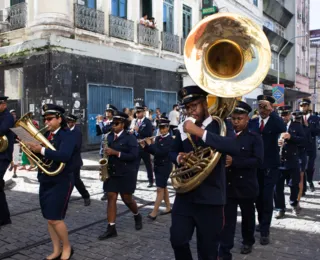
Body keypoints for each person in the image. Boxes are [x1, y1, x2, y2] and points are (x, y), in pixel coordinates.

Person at [169, 86, 239, 260]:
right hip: (185, 196)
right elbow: (170, 151)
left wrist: (199, 132)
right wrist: (179, 158)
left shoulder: (220, 125)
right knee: (177, 239)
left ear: (205, 104)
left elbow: (233, 147)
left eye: (195, 106)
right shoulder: (183, 128)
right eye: (188, 108)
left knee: (207, 251)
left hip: (211, 198)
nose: (191, 111)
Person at [26, 104, 76, 260]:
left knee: (55, 218)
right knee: (50, 218)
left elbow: (64, 155)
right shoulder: (47, 134)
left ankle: (67, 247)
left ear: (59, 119)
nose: (46, 122)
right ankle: (56, 249)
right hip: (46, 179)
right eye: (45, 119)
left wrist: (40, 150)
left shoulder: (68, 135)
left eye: (49, 119)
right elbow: (43, 158)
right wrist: (30, 149)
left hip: (61, 180)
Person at [219, 101, 263, 259]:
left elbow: (258, 161)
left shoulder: (254, 138)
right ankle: (225, 247)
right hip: (229, 185)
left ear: (247, 119)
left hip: (246, 185)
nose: (236, 121)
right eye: (233, 118)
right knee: (228, 220)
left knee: (248, 217)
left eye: (239, 118)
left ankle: (248, 241)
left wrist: (235, 162)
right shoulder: (225, 137)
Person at [98, 110, 142, 240]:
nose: (113, 126)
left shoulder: (130, 137)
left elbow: (134, 156)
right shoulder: (109, 137)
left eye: (116, 124)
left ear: (123, 124)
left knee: (127, 199)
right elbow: (105, 154)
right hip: (112, 172)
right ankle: (111, 228)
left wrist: (116, 153)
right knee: (111, 197)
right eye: (113, 123)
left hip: (126, 173)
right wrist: (103, 166)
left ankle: (137, 214)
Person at [248, 95, 286, 245]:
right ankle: (261, 221)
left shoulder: (276, 121)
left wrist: (273, 111)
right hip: (255, 166)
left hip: (271, 166)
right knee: (257, 197)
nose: (262, 109)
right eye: (260, 106)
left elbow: (283, 129)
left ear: (270, 107)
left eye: (265, 106)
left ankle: (265, 230)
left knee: (267, 197)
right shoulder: (252, 122)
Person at [274, 106, 305, 218]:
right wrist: (276, 143)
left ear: (289, 115)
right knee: (277, 187)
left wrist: (291, 137)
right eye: (282, 115)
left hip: (292, 161)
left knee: (294, 185)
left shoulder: (296, 126)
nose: (284, 117)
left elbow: (303, 141)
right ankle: (279, 208)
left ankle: (293, 203)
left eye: (286, 115)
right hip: (278, 162)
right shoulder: (275, 127)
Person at [141, 117, 173, 220]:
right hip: (157, 165)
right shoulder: (159, 138)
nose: (162, 130)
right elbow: (153, 151)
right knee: (163, 187)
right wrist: (145, 146)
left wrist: (150, 144)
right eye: (161, 128)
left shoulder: (170, 139)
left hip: (165, 166)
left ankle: (154, 212)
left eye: (164, 128)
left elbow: (161, 152)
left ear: (168, 128)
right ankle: (168, 207)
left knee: (159, 189)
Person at [66, 114, 91, 207]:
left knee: (76, 181)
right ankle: (65, 198)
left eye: (71, 122)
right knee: (66, 181)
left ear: (74, 123)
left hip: (74, 161)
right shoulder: (65, 131)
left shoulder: (77, 132)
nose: (69, 124)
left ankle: (86, 196)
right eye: (68, 122)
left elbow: (77, 147)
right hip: (66, 160)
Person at [96, 104, 117, 201]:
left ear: (112, 113)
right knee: (104, 170)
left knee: (110, 170)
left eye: (109, 112)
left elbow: (104, 130)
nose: (107, 113)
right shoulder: (105, 122)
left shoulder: (114, 123)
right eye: (106, 111)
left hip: (110, 148)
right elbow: (99, 132)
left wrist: (100, 122)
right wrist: (98, 123)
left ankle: (110, 190)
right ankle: (105, 191)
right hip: (103, 148)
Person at [299, 98, 320, 192]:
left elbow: (318, 131)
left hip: (311, 145)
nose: (303, 108)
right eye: (301, 106)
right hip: (300, 145)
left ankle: (310, 181)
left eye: (305, 105)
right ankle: (301, 187)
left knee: (310, 166)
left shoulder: (315, 118)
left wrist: (308, 127)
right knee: (300, 166)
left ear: (308, 106)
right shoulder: (296, 117)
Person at [0, 96, 14, 227]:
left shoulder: (8, 117)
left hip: (3, 155)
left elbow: (2, 130)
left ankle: (4, 217)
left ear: (4, 104)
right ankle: (4, 217)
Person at [133, 106, 154, 187]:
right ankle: (133, 181)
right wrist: (133, 133)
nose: (137, 114)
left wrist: (139, 131)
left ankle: (151, 180)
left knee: (148, 164)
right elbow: (135, 134)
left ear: (143, 113)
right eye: (136, 113)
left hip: (145, 146)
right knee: (135, 165)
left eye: (139, 112)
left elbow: (149, 134)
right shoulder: (136, 121)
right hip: (137, 146)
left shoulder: (147, 122)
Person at [292, 110, 310, 197]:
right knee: (298, 176)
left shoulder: (305, 128)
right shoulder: (290, 127)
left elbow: (308, 142)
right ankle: (298, 195)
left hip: (301, 153)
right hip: (293, 154)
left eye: (298, 118)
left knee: (301, 175)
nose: (297, 120)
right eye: (296, 118)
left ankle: (299, 195)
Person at [9, 109, 19, 178]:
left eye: (14, 114)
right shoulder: (7, 123)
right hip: (9, 143)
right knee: (8, 157)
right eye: (12, 114)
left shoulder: (18, 123)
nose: (14, 115)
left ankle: (15, 172)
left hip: (16, 143)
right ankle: (11, 164)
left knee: (16, 158)